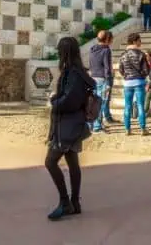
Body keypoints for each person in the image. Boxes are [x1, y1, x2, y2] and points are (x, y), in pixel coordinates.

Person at [43, 36, 93, 220]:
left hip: (67, 124)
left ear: (65, 53)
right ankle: (75, 203)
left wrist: (54, 101)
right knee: (72, 162)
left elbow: (70, 100)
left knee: (50, 162)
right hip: (73, 123)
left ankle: (65, 202)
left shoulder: (73, 73)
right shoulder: (76, 72)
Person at [119, 33, 151, 136]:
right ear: (134, 41)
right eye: (139, 40)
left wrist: (126, 76)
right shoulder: (141, 54)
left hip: (127, 82)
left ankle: (127, 129)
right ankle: (143, 128)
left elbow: (121, 69)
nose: (140, 42)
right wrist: (141, 75)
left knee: (127, 106)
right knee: (140, 105)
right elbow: (146, 70)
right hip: (139, 82)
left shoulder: (123, 54)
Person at [87, 31, 114, 132]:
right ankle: (97, 127)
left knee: (93, 103)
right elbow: (107, 67)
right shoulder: (106, 50)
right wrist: (108, 81)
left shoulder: (92, 49)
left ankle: (91, 125)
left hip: (93, 77)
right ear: (107, 39)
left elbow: (90, 63)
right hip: (102, 79)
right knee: (100, 103)